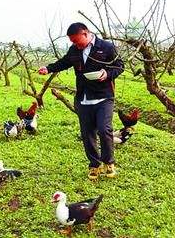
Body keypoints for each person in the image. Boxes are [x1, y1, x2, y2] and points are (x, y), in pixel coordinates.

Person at [39, 22, 124, 180]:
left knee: (104, 129)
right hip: (83, 97)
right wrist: (48, 68)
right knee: (87, 133)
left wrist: (107, 73)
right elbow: (64, 62)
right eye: (72, 41)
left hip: (104, 96)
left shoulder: (106, 47)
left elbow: (119, 66)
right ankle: (94, 165)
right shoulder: (74, 50)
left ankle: (109, 162)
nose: (74, 44)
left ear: (86, 34)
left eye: (76, 40)